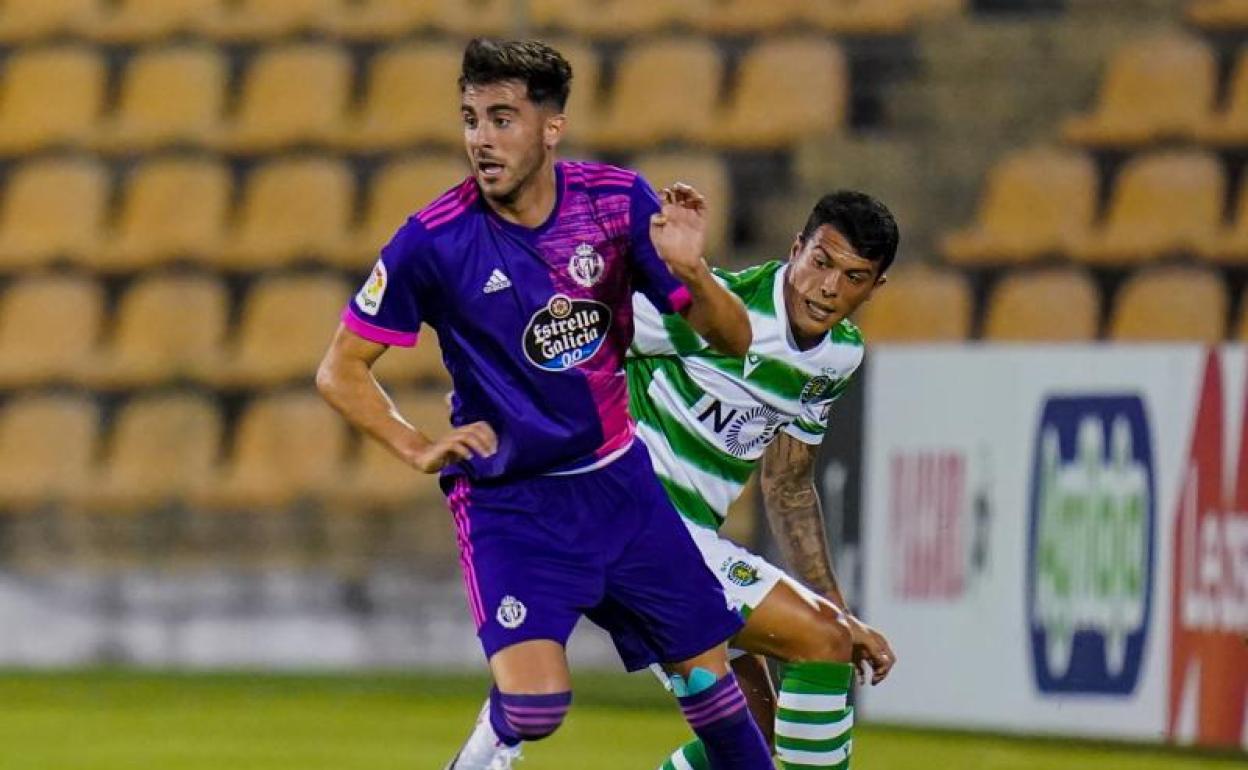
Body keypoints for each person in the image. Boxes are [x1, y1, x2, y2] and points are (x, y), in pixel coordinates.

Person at [315, 38, 773, 770]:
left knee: (710, 687)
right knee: (536, 708)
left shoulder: (617, 204)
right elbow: (340, 369)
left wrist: (692, 270)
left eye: (502, 118)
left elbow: (733, 336)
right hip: (515, 502)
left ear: (550, 128)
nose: (481, 140)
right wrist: (412, 443)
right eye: (470, 119)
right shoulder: (432, 240)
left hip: (621, 486)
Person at [452, 190, 901, 770]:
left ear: (875, 286)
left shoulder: (837, 357)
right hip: (639, 527)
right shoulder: (713, 311)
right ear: (797, 249)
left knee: (750, 743)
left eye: (854, 276)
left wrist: (837, 607)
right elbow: (576, 331)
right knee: (823, 643)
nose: (829, 287)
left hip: (690, 542)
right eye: (821, 261)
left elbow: (787, 486)